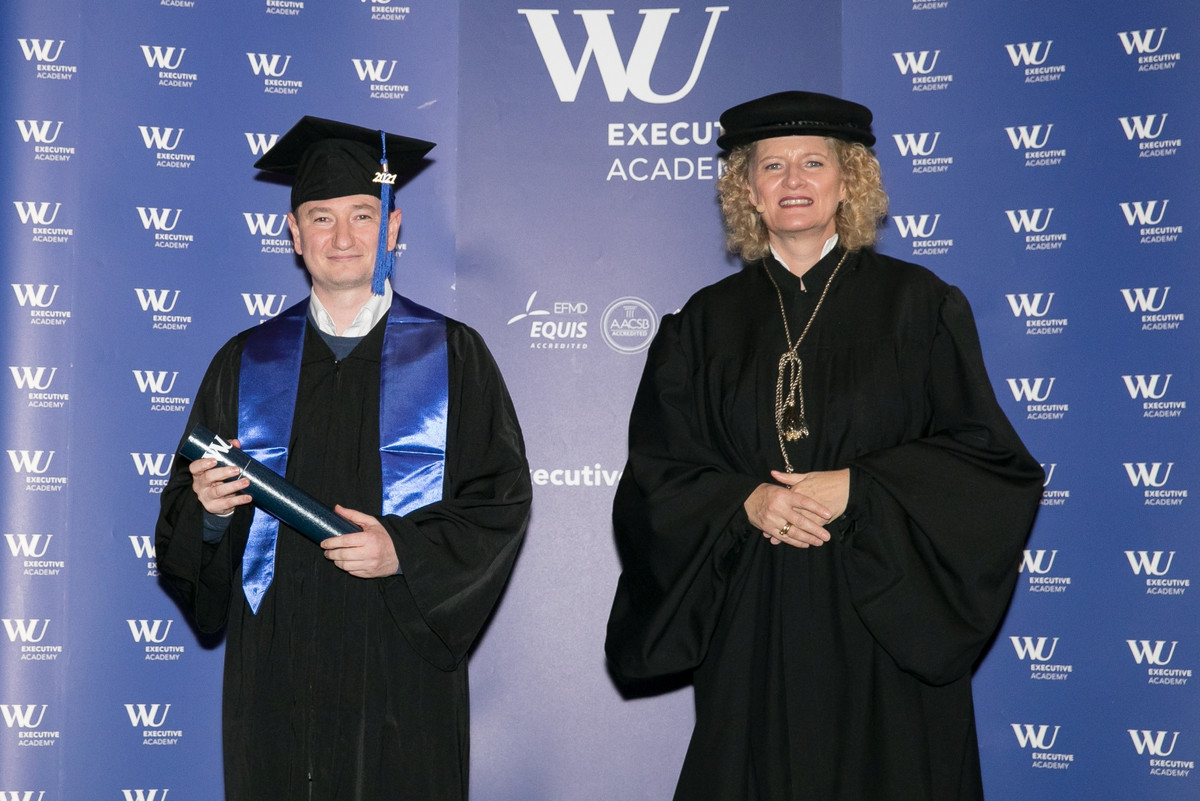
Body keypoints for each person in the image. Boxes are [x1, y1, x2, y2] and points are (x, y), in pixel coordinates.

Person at [605, 91, 1043, 800]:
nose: (794, 180)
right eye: (771, 166)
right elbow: (658, 473)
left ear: (851, 179)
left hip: (889, 618)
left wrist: (864, 486)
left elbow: (988, 460)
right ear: (746, 189)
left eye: (814, 161)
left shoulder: (921, 304)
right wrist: (743, 499)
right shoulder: (701, 326)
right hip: (756, 617)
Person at [155, 116, 531, 801]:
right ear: (294, 235)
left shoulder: (452, 356)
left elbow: (498, 501)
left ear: (392, 228)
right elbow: (184, 522)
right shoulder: (243, 363)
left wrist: (407, 551)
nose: (343, 236)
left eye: (363, 214)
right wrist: (207, 512)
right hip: (276, 671)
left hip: (400, 673)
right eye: (320, 218)